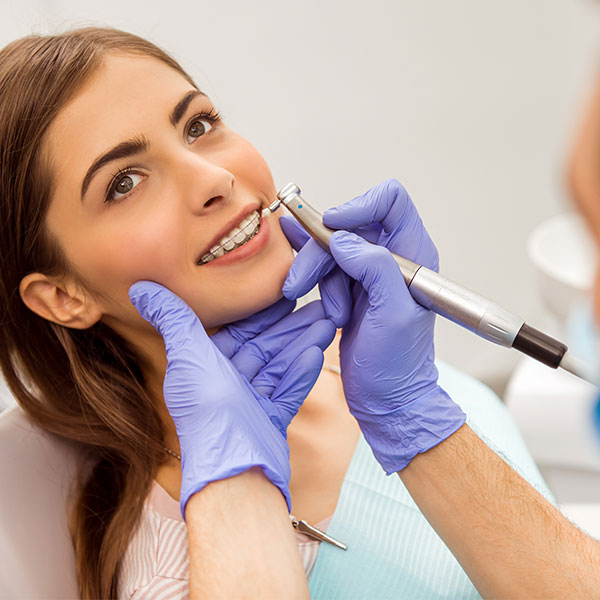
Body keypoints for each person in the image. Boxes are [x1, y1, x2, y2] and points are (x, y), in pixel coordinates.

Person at [0, 26, 569, 600]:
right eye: (124, 183)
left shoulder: (367, 366)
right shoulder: (174, 576)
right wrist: (235, 480)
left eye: (198, 125)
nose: (215, 178)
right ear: (63, 297)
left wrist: (413, 413)